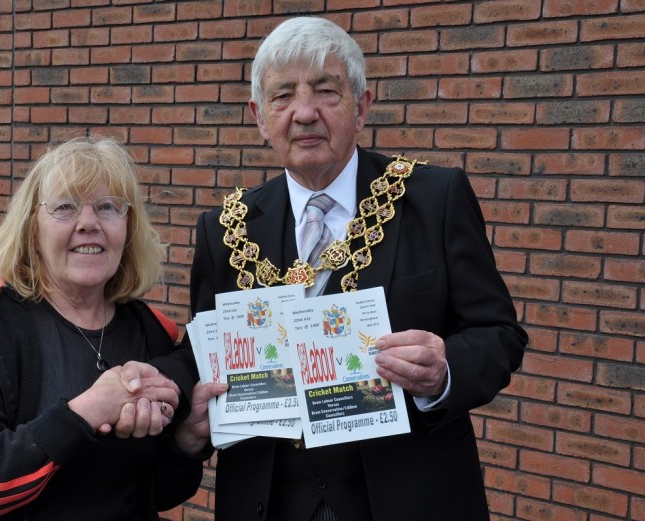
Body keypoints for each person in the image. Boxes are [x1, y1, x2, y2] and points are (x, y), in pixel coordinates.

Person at [188, 17, 529, 521]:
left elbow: (499, 334)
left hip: (412, 500)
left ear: (362, 105)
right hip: (268, 502)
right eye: (283, 97)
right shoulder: (224, 229)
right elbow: (204, 357)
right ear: (261, 117)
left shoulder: (434, 199)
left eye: (326, 91)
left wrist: (444, 371)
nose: (305, 113)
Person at [0, 137, 213, 521]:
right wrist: (85, 411)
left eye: (108, 207)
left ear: (127, 229)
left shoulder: (152, 332)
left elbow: (155, 492)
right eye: (64, 207)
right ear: (32, 230)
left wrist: (186, 443)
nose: (88, 223)